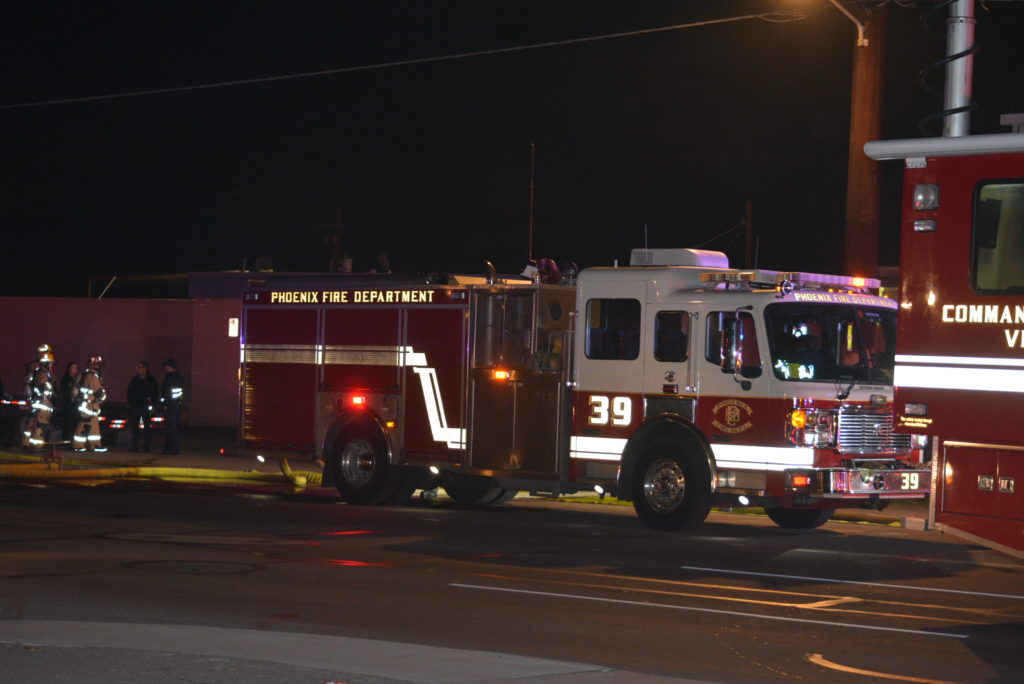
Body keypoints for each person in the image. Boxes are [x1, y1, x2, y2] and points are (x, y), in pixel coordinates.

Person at [24, 349, 57, 450]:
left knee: (32, 424)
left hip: (39, 401)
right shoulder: (43, 373)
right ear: (46, 363)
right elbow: (43, 387)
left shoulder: (42, 372)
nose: (52, 365)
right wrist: (50, 384)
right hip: (43, 402)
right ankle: (37, 445)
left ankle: (26, 443)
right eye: (51, 363)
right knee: (40, 425)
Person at [74, 355, 107, 453]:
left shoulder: (90, 375)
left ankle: (95, 445)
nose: (100, 367)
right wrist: (102, 397)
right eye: (99, 365)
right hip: (88, 406)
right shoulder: (92, 376)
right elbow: (97, 392)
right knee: (84, 425)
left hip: (91, 405)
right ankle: (78, 445)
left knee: (94, 426)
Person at [126, 361, 159, 452]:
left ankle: (146, 447)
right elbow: (129, 392)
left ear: (145, 368)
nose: (138, 369)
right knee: (135, 428)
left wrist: (154, 407)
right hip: (136, 406)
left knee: (147, 429)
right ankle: (134, 447)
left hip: (146, 407)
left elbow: (155, 394)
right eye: (138, 367)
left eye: (140, 367)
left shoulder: (151, 381)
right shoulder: (135, 380)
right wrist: (130, 405)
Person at [160, 358, 185, 455]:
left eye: (166, 366)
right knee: (171, 428)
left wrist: (166, 404)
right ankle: (170, 448)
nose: (165, 368)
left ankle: (171, 449)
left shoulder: (171, 378)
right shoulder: (178, 377)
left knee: (171, 428)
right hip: (175, 406)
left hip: (171, 407)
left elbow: (168, 393)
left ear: (169, 366)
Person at [59, 361, 80, 448]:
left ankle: (71, 442)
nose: (75, 370)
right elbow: (66, 393)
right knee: (68, 424)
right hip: (68, 406)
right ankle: (67, 442)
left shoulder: (75, 379)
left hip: (74, 406)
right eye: (73, 368)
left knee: (74, 424)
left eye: (76, 368)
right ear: (68, 369)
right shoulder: (66, 379)